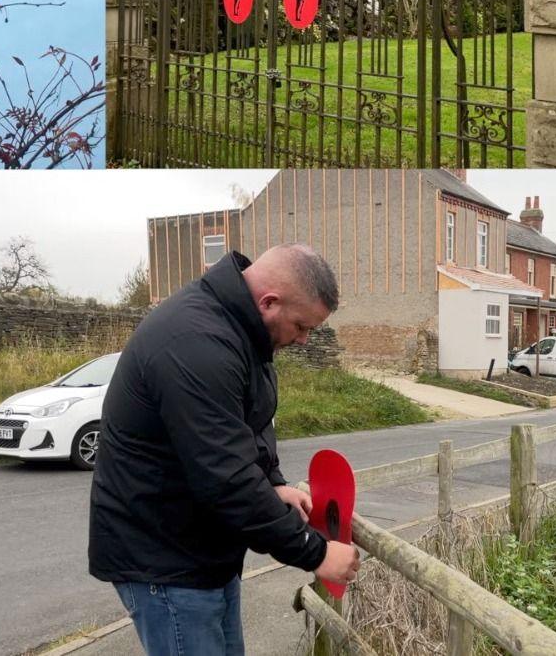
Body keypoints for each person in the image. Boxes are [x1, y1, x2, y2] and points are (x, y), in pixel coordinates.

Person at [88, 244, 361, 656]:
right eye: (302, 326)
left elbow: (248, 425)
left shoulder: (242, 330)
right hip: (164, 561)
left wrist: (272, 483)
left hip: (201, 551)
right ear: (269, 302)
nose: (305, 340)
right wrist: (316, 552)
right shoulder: (195, 342)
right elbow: (226, 478)